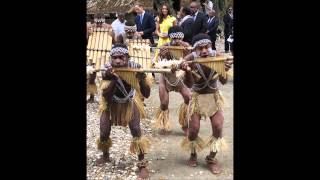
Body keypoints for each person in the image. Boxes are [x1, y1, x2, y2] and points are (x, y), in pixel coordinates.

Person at [96, 43, 151, 179]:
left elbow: (147, 93)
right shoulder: (106, 70)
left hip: (129, 101)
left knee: (136, 130)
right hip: (110, 102)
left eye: (121, 57)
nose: (118, 61)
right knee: (103, 131)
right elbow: (106, 96)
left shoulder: (136, 68)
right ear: (111, 58)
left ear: (128, 57)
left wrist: (142, 78)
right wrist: (114, 79)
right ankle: (105, 155)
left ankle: (142, 164)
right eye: (115, 58)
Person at [179, 34, 232, 174]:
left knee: (218, 127)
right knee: (194, 130)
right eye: (200, 48)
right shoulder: (190, 59)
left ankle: (211, 158)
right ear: (194, 50)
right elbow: (189, 84)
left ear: (211, 46)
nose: (204, 51)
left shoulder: (218, 55)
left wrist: (224, 70)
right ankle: (193, 153)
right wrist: (187, 71)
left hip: (213, 96)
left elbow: (224, 81)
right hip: (197, 97)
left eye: (206, 47)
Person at [153, 26, 192, 135]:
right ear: (169, 38)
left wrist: (186, 55)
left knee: (188, 98)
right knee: (164, 103)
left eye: (178, 38)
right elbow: (159, 64)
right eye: (173, 39)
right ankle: (164, 124)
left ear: (182, 37)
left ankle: (185, 123)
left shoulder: (186, 46)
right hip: (166, 77)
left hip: (180, 77)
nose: (176, 41)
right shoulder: (164, 47)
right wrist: (164, 55)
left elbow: (191, 62)